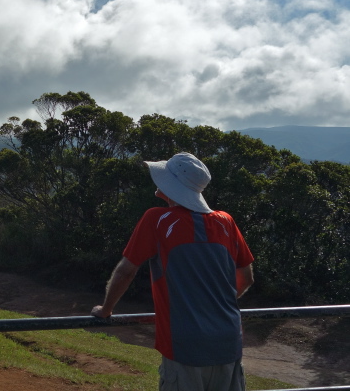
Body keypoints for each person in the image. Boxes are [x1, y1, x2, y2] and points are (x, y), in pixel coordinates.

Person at [91, 152, 254, 391]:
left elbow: (126, 271)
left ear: (171, 186)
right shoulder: (226, 222)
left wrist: (106, 310)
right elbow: (246, 278)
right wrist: (212, 304)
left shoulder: (157, 219)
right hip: (228, 341)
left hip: (185, 345)